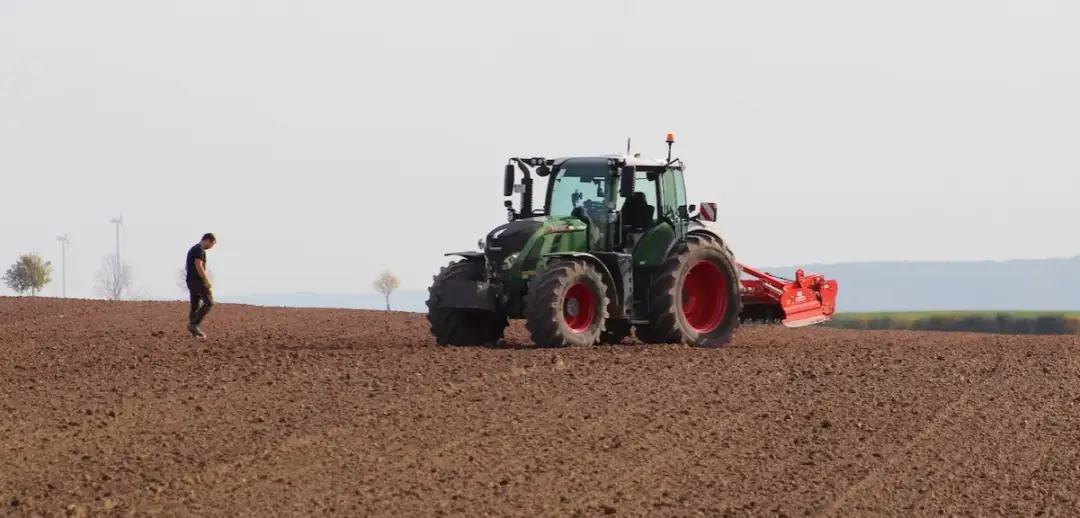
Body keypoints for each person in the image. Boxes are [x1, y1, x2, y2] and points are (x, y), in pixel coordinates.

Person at [185, 233, 216, 338]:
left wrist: (191, 276)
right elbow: (199, 265)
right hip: (198, 281)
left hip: (190, 281)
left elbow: (187, 267)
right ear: (208, 240)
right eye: (211, 244)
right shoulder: (199, 249)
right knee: (209, 302)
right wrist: (206, 281)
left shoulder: (192, 249)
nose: (211, 247)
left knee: (195, 305)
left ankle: (194, 334)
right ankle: (194, 324)